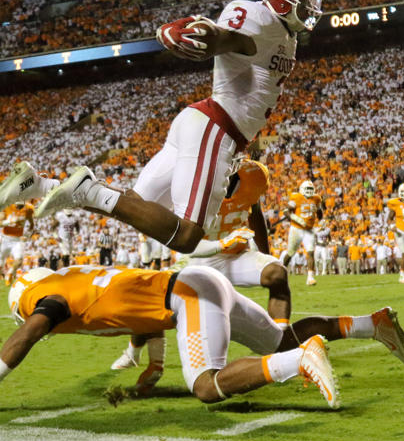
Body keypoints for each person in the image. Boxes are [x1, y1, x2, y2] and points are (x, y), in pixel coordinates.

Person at [0, 0, 328, 257]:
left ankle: (38, 185)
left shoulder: (284, 34)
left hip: (204, 124)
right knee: (188, 235)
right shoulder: (259, 17)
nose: (312, 5)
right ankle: (85, 187)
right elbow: (233, 39)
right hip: (217, 128)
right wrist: (204, 35)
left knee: (133, 206)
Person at [0, 264, 404, 408]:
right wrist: (154, 364)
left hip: (190, 296)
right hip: (199, 282)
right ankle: (373, 324)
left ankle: (303, 360)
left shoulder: (46, 300)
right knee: (279, 339)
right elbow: (134, 312)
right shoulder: (77, 279)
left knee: (205, 386)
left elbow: (30, 333)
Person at [111, 159, 292, 376]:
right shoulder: (189, 180)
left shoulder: (254, 175)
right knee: (154, 298)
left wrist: (265, 254)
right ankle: (134, 351)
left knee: (277, 273)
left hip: (234, 256)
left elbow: (255, 212)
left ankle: (280, 345)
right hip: (196, 255)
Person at [282, 180, 323, 285]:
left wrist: (321, 218)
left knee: (310, 252)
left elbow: (319, 211)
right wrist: (297, 219)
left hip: (309, 230)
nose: (309, 191)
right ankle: (280, 271)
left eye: (311, 189)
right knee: (290, 253)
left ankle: (310, 278)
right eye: (307, 189)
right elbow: (286, 212)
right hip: (296, 229)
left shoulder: (316, 198)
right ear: (302, 189)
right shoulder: (297, 197)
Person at [0, 202, 35, 298]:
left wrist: (27, 235)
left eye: (21, 205)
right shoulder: (7, 207)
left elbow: (31, 224)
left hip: (17, 240)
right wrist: (9, 221)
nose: (19, 207)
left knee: (19, 260)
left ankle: (10, 272)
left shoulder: (27, 209)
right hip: (5, 239)